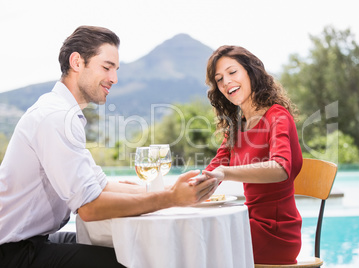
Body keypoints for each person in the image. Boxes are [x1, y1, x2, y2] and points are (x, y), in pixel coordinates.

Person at [0, 25, 218, 268]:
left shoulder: (64, 114)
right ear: (77, 62)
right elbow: (90, 208)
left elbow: (101, 185)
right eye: (106, 67)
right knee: (127, 263)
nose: (114, 78)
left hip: (33, 241)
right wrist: (171, 198)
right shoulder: (54, 118)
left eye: (115, 69)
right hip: (13, 251)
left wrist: (172, 188)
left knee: (130, 247)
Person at [202, 45, 303, 265]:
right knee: (196, 239)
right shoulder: (236, 126)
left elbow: (280, 169)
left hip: (275, 232)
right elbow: (213, 171)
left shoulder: (277, 116)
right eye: (219, 79)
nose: (226, 82)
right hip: (247, 223)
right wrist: (177, 191)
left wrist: (225, 173)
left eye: (232, 72)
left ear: (251, 72)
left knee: (202, 247)